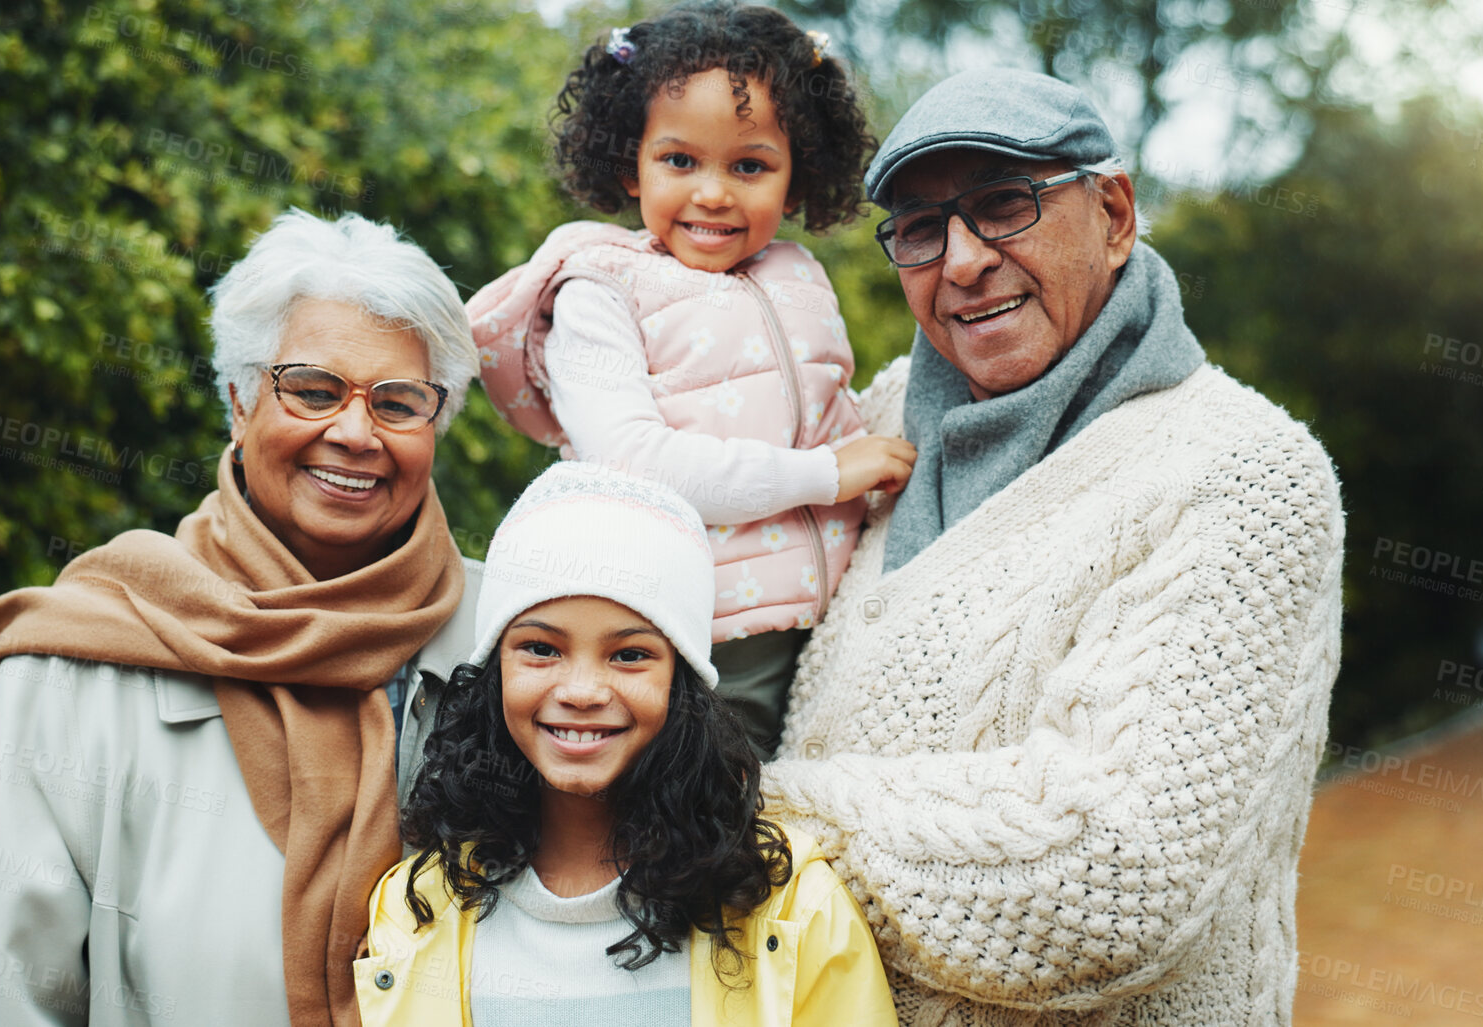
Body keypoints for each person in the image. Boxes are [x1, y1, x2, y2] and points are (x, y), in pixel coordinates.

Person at [758, 67, 1346, 1025]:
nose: (961, 261)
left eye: (1001, 205)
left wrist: (745, 813)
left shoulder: (1244, 469)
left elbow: (1110, 879)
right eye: (919, 228)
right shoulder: (872, 430)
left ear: (1113, 213)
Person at [0, 210, 483, 1027]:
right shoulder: (73, 666)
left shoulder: (518, 647)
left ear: (437, 421)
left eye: (398, 402)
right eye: (313, 390)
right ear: (239, 401)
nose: (354, 432)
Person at [467, 1, 916, 758]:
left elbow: (827, 410)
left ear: (796, 171)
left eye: (749, 165)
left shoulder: (797, 274)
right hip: (686, 629)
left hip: (828, 620)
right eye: (680, 161)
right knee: (704, 818)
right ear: (628, 166)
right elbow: (633, 462)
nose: (713, 193)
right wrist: (828, 474)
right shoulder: (601, 289)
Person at [356, 463, 898, 1026]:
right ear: (494, 672)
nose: (582, 691)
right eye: (541, 649)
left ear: (682, 681)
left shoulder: (791, 906)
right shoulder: (417, 905)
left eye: (630, 655)